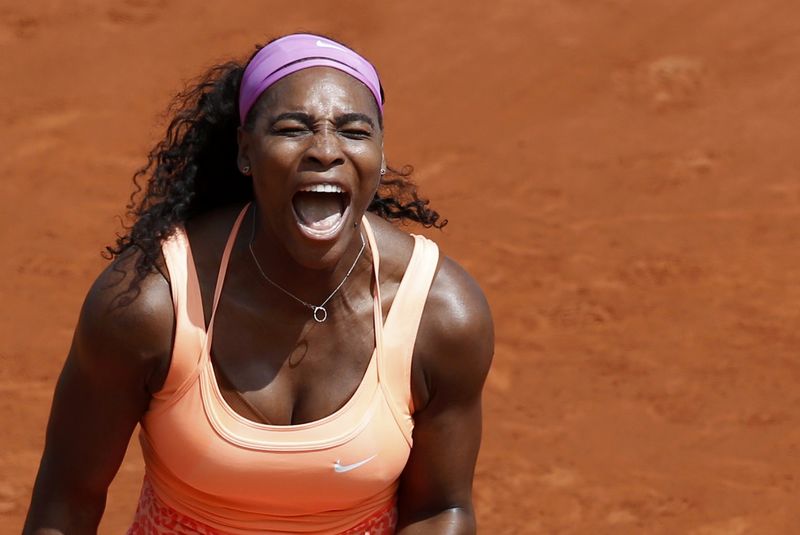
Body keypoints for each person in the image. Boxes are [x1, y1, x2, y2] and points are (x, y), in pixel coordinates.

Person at [23, 33, 494, 534]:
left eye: (355, 132)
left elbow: (440, 508)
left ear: (379, 156)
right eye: (294, 129)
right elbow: (68, 499)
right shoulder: (149, 305)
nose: (326, 151)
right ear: (246, 151)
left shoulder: (438, 314)